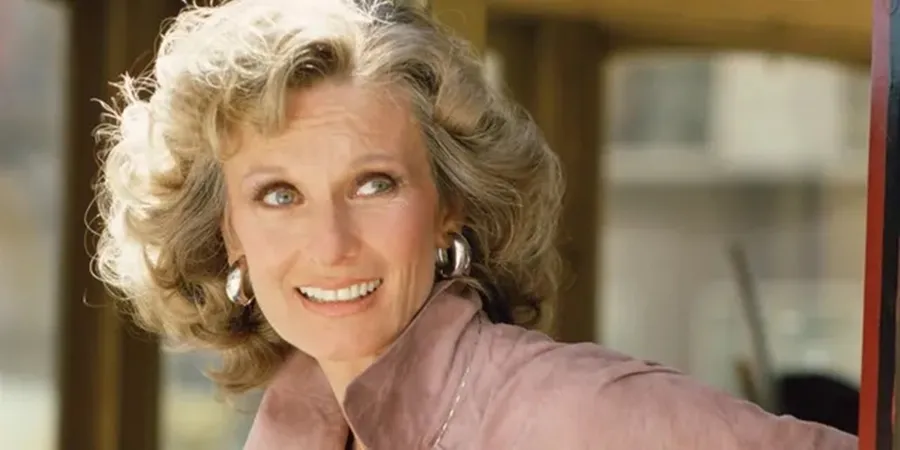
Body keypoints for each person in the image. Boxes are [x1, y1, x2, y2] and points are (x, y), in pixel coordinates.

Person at [92, 0, 859, 448]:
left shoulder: (575, 413)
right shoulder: (299, 429)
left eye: (374, 184)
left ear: (448, 207)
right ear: (229, 233)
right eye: (279, 195)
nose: (331, 245)